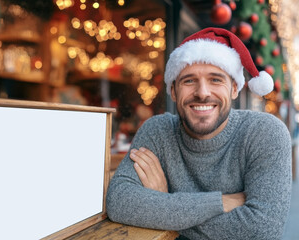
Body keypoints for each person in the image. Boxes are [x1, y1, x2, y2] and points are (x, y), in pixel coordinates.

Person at [106, 27, 292, 240]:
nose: (202, 93)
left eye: (215, 79)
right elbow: (120, 202)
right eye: (189, 80)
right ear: (174, 91)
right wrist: (220, 202)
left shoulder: (264, 133)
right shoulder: (157, 131)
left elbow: (263, 230)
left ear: (234, 89)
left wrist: (164, 202)